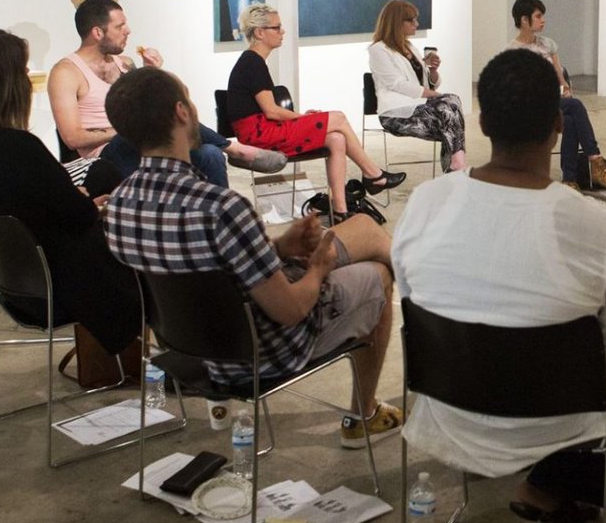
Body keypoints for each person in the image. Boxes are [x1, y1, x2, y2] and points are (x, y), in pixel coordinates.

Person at [395, 49, 606, 523]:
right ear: (559, 126)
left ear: (481, 124)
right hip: (551, 414)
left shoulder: (425, 202)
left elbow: (408, 288)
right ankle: (559, 484)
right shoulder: (597, 228)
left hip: (448, 410)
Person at [102, 66, 403, 448]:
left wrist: (277, 248)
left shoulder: (119, 206)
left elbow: (199, 271)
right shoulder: (220, 206)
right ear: (181, 112)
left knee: (362, 226)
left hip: (187, 350)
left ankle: (430, 297)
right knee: (377, 272)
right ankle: (365, 413)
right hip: (260, 352)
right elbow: (292, 310)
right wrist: (318, 268)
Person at [0, 28, 138, 355]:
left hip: (17, 286)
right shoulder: (18, 148)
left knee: (104, 174)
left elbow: (35, 206)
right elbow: (79, 216)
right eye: (22, 70)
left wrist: (78, 201)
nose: (28, 78)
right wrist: (88, 204)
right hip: (72, 284)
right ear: (3, 83)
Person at [48, 0, 283, 186]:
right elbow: (72, 138)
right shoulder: (66, 72)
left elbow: (171, 99)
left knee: (210, 153)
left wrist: (155, 75)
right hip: (105, 155)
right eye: (120, 26)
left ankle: (219, 221)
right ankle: (235, 148)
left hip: (146, 143)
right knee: (140, 126)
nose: (128, 30)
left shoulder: (125, 63)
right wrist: (128, 128)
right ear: (98, 32)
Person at [229, 3, 405, 216]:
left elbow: (270, 112)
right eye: (277, 28)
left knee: (337, 139)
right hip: (259, 135)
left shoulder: (254, 62)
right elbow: (272, 112)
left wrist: (304, 119)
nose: (282, 32)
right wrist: (303, 118)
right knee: (338, 118)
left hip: (263, 129)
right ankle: (372, 174)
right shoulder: (252, 63)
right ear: (259, 32)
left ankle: (339, 209)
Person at [505, 0, 606, 191]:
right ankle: (595, 160)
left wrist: (565, 88)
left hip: (553, 101)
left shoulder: (548, 44)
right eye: (538, 16)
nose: (543, 20)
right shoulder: (512, 50)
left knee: (570, 119)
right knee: (575, 106)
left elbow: (560, 75)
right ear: (524, 20)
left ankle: (570, 179)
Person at [368, 0, 467, 172]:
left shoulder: (410, 47)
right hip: (395, 113)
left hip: (418, 106)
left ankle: (456, 166)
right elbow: (396, 84)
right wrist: (434, 95)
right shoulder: (378, 50)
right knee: (449, 117)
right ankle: (457, 167)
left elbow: (426, 84)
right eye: (412, 20)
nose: (417, 24)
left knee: (450, 109)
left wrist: (433, 71)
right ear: (397, 23)